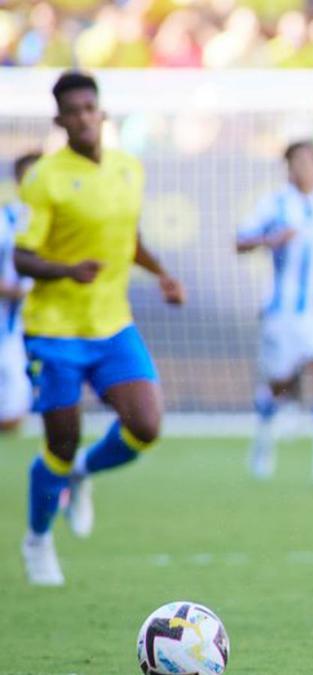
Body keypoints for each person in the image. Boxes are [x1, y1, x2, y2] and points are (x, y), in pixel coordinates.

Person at [16, 71, 185, 586]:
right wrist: (68, 270)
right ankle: (38, 539)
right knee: (59, 444)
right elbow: (22, 257)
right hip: (55, 329)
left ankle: (83, 474)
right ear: (60, 120)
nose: (85, 116)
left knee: (147, 426)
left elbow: (128, 237)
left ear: (102, 112)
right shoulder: (44, 178)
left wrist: (162, 275)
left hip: (112, 325)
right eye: (74, 110)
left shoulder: (129, 169)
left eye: (91, 107)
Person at [236, 140, 313, 487]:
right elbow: (240, 241)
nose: (305, 169)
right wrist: (270, 240)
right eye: (298, 162)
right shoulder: (273, 204)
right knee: (280, 384)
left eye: (310, 162)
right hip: (283, 312)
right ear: (288, 167)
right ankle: (263, 437)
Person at [0, 153, 40, 434]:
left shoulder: (64, 220)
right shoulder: (5, 220)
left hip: (42, 326)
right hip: (8, 326)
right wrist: (14, 291)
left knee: (16, 416)